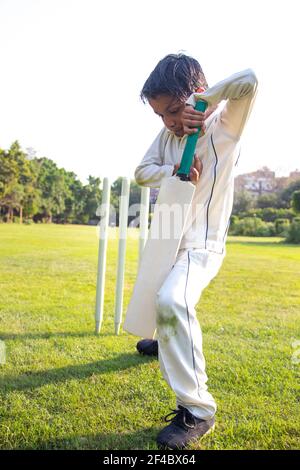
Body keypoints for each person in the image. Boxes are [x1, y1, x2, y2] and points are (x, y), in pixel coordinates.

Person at [135, 53, 258, 449]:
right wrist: (172, 171)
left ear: (194, 97)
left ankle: (198, 411)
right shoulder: (168, 136)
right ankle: (163, 342)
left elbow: (250, 79)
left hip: (202, 244)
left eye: (174, 110)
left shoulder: (226, 125)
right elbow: (142, 171)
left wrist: (203, 103)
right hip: (166, 234)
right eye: (162, 115)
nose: (170, 122)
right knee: (157, 297)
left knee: (172, 301)